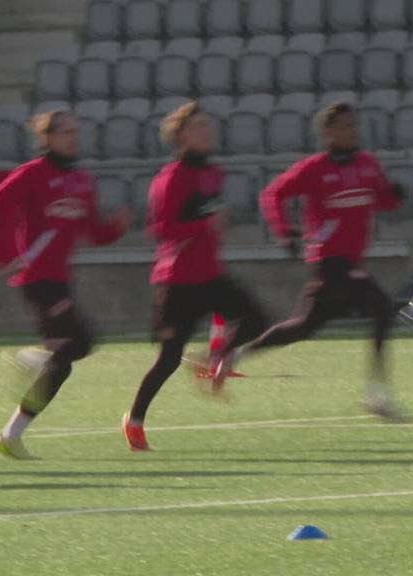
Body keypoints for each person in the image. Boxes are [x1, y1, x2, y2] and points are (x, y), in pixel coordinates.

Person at [236, 102, 406, 418]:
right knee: (383, 309)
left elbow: (380, 201)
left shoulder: (368, 164)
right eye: (346, 126)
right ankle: (377, 395)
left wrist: (394, 196)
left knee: (303, 327)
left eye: (355, 125)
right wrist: (283, 231)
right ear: (328, 133)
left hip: (352, 261)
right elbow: (272, 194)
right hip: (330, 260)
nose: (353, 130)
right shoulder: (314, 168)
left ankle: (234, 356)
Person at [0, 109, 130, 460]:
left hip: (59, 278)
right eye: (65, 132)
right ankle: (29, 363)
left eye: (76, 131)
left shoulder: (82, 180)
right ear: (46, 138)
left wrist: (116, 227)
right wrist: (5, 256)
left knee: (64, 360)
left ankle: (11, 433)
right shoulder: (32, 174)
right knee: (79, 342)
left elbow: (94, 232)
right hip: (35, 276)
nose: (73, 138)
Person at [123, 101, 268, 451]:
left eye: (208, 126)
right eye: (199, 127)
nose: (207, 132)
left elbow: (207, 216)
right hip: (177, 280)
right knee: (169, 357)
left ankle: (213, 358)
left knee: (258, 320)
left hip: (210, 274)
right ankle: (135, 420)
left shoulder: (213, 173)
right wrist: (203, 224)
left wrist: (212, 223)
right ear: (180, 135)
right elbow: (160, 230)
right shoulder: (170, 178)